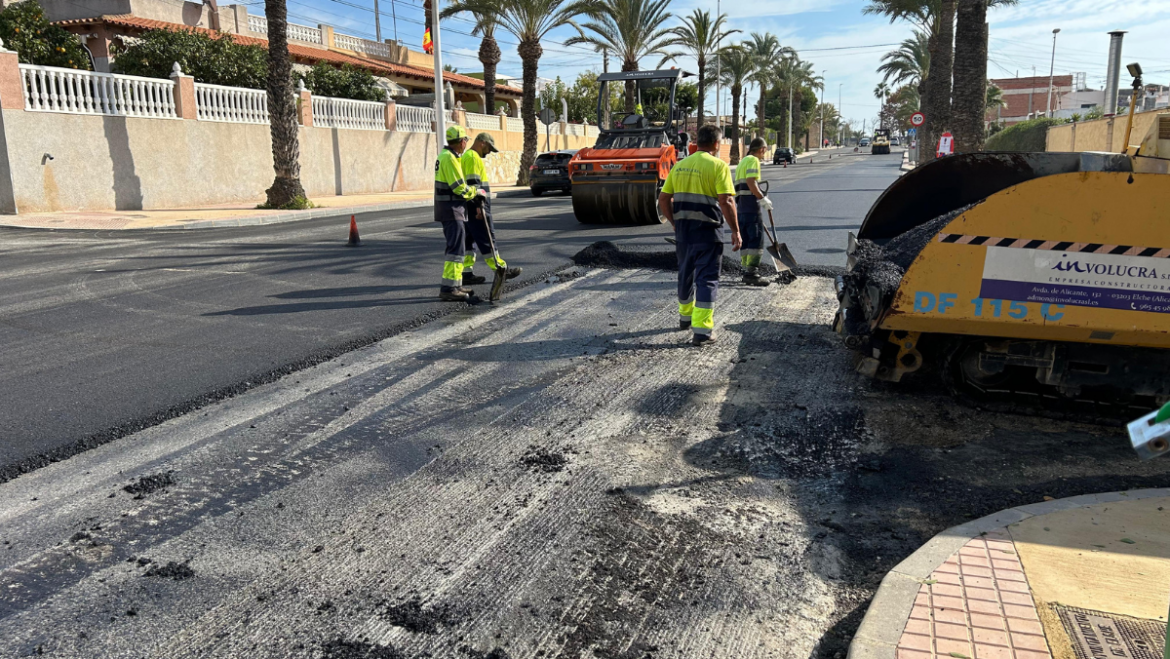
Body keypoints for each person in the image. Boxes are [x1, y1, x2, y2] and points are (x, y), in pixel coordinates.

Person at [657, 124, 741, 346]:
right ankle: (702, 332)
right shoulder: (718, 166)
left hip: (684, 233)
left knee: (685, 274)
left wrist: (675, 223)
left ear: (697, 142)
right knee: (706, 278)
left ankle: (685, 319)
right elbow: (726, 200)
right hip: (708, 233)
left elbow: (663, 200)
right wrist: (736, 230)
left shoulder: (680, 165)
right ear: (716, 143)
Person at [459, 132, 521, 286]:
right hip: (476, 205)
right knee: (487, 238)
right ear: (482, 143)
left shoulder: (467, 156)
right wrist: (479, 207)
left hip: (467, 205)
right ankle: (501, 270)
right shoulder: (473, 157)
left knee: (469, 240)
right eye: (488, 148)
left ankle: (466, 272)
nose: (489, 152)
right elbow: (473, 184)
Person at [434, 125, 486, 301]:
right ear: (462, 141)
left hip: (452, 209)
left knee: (458, 248)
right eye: (465, 141)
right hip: (451, 209)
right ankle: (449, 288)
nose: (466, 144)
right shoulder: (449, 158)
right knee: (455, 249)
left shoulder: (447, 156)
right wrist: (475, 192)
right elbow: (459, 188)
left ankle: (455, 284)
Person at [735, 137, 775, 286]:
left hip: (741, 209)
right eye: (765, 150)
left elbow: (738, 187)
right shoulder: (753, 161)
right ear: (762, 149)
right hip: (751, 208)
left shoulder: (742, 162)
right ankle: (752, 273)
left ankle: (745, 269)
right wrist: (762, 199)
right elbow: (751, 182)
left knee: (746, 240)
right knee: (756, 239)